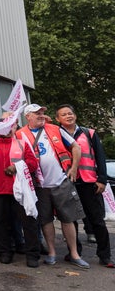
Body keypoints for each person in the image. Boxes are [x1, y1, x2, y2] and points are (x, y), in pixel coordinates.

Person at [16, 104, 88, 269]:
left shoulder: (55, 129)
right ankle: (52, 252)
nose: (41, 115)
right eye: (37, 113)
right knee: (45, 220)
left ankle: (75, 254)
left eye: (42, 112)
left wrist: (74, 168)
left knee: (68, 219)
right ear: (28, 117)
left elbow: (75, 147)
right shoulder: (20, 135)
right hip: (39, 186)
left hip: (61, 181)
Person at [54, 104, 113, 268]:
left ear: (75, 116)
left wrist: (102, 179)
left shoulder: (89, 133)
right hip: (67, 182)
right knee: (70, 220)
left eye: (70, 113)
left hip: (89, 182)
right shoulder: (55, 135)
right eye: (64, 114)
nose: (68, 116)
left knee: (97, 220)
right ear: (58, 119)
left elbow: (100, 157)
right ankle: (74, 252)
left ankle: (105, 256)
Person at [0, 117, 40, 267]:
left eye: (11, 127)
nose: (8, 130)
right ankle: (5, 252)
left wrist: (17, 166)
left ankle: (32, 255)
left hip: (20, 190)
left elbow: (33, 163)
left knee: (29, 222)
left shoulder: (22, 143)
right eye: (4, 128)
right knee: (0, 223)